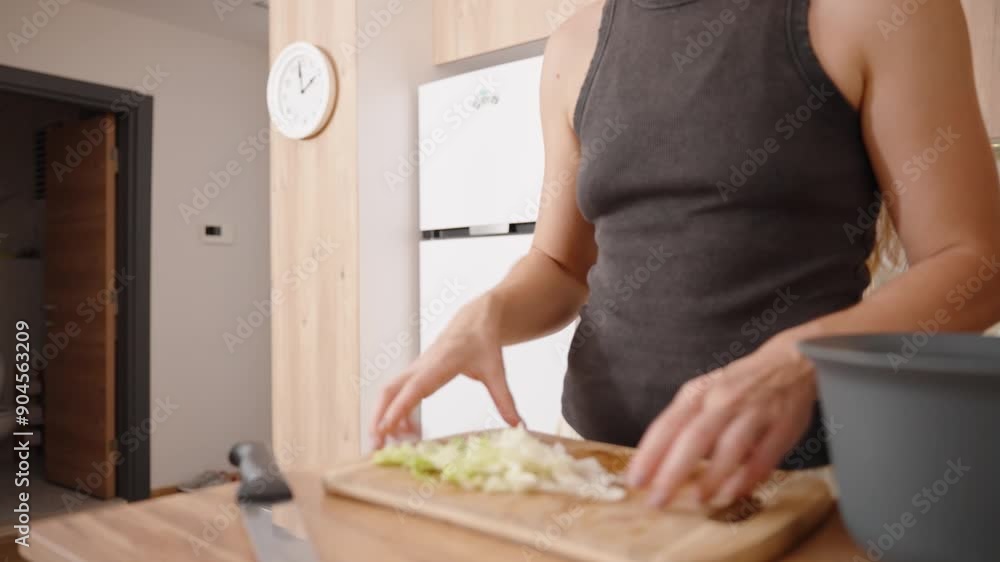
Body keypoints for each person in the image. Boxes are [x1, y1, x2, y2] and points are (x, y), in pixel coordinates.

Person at [372, 0, 1000, 508]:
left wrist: (799, 360)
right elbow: (559, 265)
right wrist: (486, 313)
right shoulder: (574, 44)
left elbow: (975, 261)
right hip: (595, 468)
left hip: (797, 485)